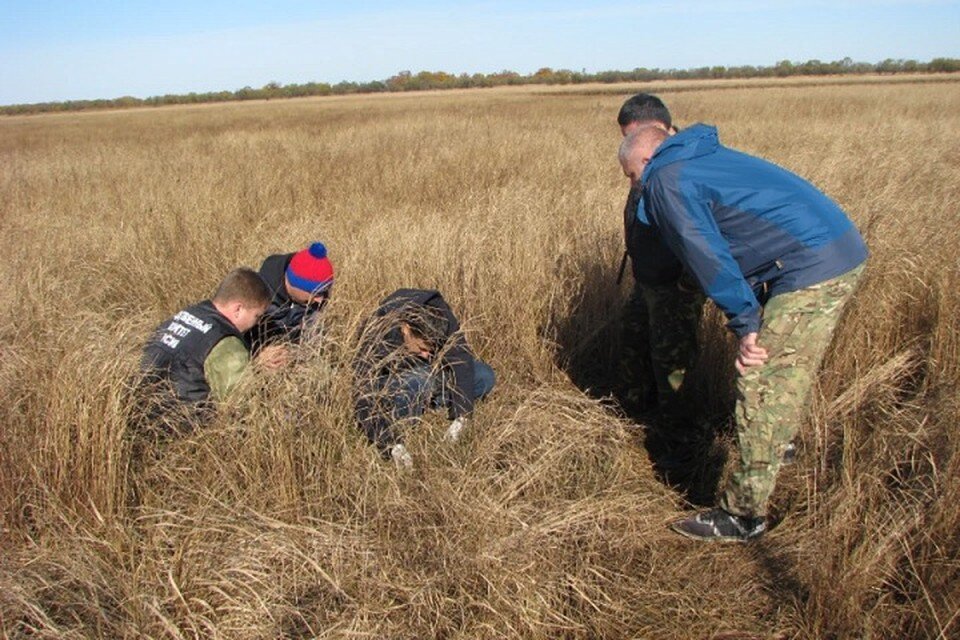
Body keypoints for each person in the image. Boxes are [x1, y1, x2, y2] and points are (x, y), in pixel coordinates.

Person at [619, 125, 868, 541]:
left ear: (646, 160)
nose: (633, 185)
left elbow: (705, 253)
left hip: (813, 266)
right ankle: (775, 447)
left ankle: (743, 515)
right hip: (830, 250)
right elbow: (743, 236)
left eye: (630, 175)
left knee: (762, 381)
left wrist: (746, 322)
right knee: (782, 373)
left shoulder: (665, 179)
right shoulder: (697, 158)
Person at [615, 94, 704, 418]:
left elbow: (700, 238)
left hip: (676, 285)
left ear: (660, 127)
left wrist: (686, 286)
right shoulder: (651, 156)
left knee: (673, 363)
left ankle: (678, 438)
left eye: (634, 135)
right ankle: (636, 414)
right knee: (634, 341)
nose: (631, 143)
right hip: (647, 279)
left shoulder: (686, 164)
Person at [353, 289, 496, 468]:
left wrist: (462, 416)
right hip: (398, 384)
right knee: (421, 380)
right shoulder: (379, 328)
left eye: (432, 348)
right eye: (422, 348)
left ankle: (431, 403)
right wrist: (391, 445)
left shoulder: (442, 317)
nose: (427, 354)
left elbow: (462, 361)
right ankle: (407, 416)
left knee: (484, 375)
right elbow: (363, 393)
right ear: (406, 329)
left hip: (432, 375)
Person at [137, 267, 272, 433]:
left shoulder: (186, 314)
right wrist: (260, 372)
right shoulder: (226, 342)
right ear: (238, 309)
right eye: (257, 316)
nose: (257, 323)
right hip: (184, 432)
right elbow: (244, 407)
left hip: (141, 415)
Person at [248, 241, 336, 368]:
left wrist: (292, 355)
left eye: (324, 292)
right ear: (295, 284)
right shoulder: (254, 295)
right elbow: (232, 337)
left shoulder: (315, 300)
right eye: (315, 293)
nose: (320, 300)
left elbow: (313, 342)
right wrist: (258, 355)